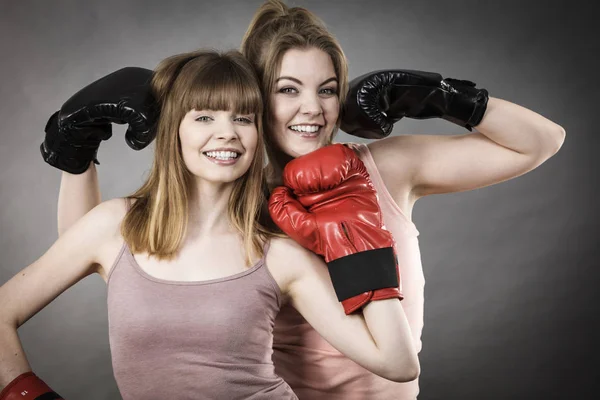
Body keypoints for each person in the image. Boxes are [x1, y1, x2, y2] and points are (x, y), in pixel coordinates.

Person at [34, 0, 566, 398]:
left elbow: (541, 142)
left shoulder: (385, 166)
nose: (312, 108)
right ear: (254, 93)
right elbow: (96, 256)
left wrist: (442, 96)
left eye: (327, 89)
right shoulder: (234, 192)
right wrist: (75, 150)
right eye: (287, 89)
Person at [0, 49, 419, 400]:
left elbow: (397, 363)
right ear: (173, 129)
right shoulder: (115, 226)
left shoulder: (279, 254)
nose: (227, 134)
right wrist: (27, 394)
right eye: (204, 117)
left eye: (243, 118)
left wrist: (360, 240)